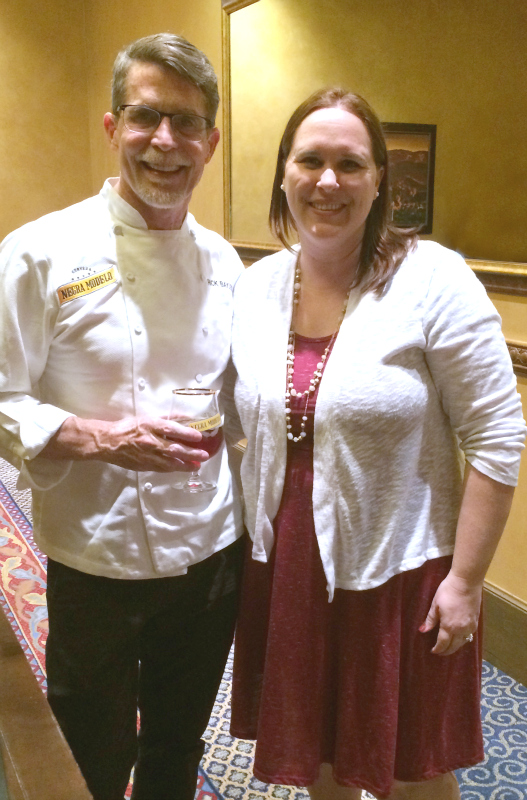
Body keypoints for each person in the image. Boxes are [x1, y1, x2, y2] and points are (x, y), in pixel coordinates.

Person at [229, 88, 526, 800]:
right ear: (283, 173)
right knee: (318, 757)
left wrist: (463, 583)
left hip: (400, 570)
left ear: (378, 181)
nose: (326, 181)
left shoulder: (433, 279)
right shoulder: (257, 286)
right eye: (310, 160)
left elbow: (496, 436)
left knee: (410, 764)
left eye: (349, 164)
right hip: (289, 562)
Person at [0, 33, 245, 800]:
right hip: (93, 556)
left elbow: (244, 403)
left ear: (211, 140)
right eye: (145, 118)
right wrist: (103, 438)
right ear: (113, 128)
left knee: (177, 742)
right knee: (90, 753)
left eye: (185, 123)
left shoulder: (227, 264)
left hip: (208, 553)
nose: (165, 143)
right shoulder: (39, 252)